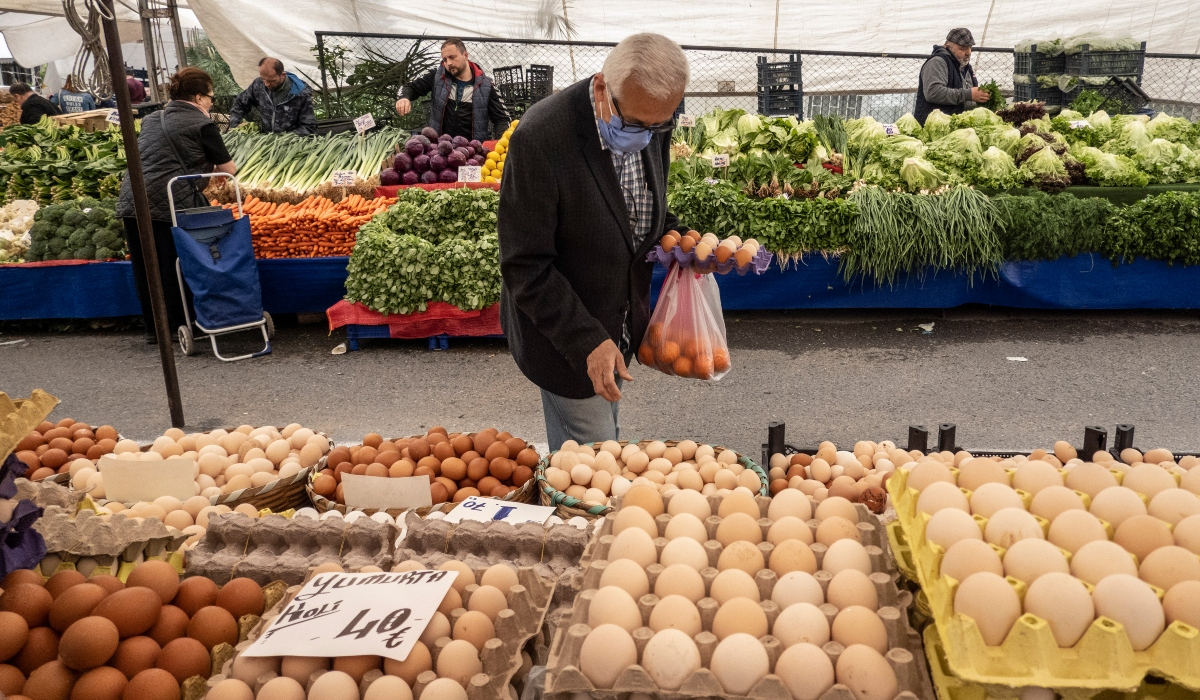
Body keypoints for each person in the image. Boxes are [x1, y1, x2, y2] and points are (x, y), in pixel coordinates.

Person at [498, 33, 692, 450]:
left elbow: (637, 207)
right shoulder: (541, 137)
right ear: (602, 87)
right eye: (636, 124)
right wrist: (588, 340)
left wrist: (678, 234)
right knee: (596, 459)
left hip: (617, 320)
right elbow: (524, 264)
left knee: (602, 447)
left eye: (660, 124)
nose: (648, 135)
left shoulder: (651, 117)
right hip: (564, 332)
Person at [116, 67, 237, 344]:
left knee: (147, 266)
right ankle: (184, 324)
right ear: (197, 97)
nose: (210, 103)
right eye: (209, 97)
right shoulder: (203, 124)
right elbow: (228, 168)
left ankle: (155, 330)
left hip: (132, 198)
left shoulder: (151, 119)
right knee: (175, 265)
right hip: (169, 201)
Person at [395, 39, 510, 141]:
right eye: (445, 59)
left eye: (452, 57)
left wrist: (500, 145)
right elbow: (409, 87)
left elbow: (502, 119)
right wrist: (403, 98)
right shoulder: (437, 76)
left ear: (465, 55)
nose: (448, 63)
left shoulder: (486, 85)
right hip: (440, 150)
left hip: (473, 153)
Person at [914, 28, 989, 125]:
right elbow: (933, 92)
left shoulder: (966, 67)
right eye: (963, 48)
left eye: (970, 48)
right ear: (948, 46)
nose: (968, 52)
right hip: (935, 127)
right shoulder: (938, 62)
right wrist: (968, 94)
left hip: (956, 127)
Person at [227, 57, 317, 135]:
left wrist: (281, 139)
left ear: (282, 75)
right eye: (263, 79)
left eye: (271, 81)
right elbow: (240, 103)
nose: (266, 84)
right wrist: (236, 126)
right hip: (266, 142)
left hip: (290, 145)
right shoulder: (258, 85)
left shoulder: (301, 94)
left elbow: (309, 127)